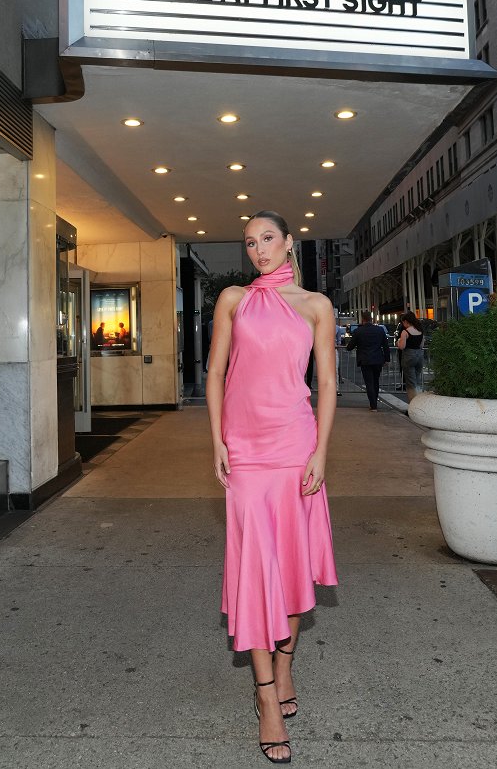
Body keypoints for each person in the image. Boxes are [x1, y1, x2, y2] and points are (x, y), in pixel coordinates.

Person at [206, 211, 338, 765]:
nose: (259, 250)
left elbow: (327, 383)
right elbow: (215, 373)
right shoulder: (232, 299)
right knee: (256, 570)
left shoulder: (316, 307)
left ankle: (284, 665)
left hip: (293, 446)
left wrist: (321, 451)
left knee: (290, 564)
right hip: (246, 449)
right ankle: (265, 698)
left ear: (289, 243)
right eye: (250, 242)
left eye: (268, 239)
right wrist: (216, 441)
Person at [346, 311, 390, 411]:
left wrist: (349, 346)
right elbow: (385, 346)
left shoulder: (358, 331)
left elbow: (350, 346)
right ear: (371, 319)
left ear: (363, 319)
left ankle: (373, 404)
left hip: (365, 359)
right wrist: (387, 359)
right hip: (378, 359)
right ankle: (375, 401)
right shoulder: (379, 330)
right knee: (375, 381)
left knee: (369, 382)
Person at [396, 311, 424, 401]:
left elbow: (402, 346)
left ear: (406, 321)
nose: (403, 324)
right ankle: (420, 400)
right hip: (419, 356)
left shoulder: (405, 332)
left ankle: (413, 404)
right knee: (417, 380)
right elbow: (421, 345)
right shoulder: (420, 331)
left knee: (410, 383)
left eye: (403, 322)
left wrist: (398, 342)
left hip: (408, 356)